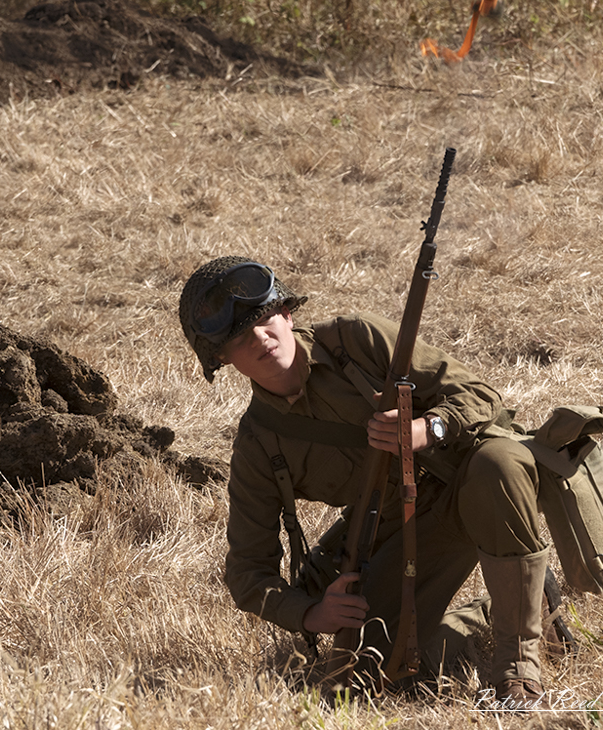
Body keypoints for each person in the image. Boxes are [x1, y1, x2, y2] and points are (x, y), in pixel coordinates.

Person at [177, 256, 552, 707]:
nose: (259, 337)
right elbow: (247, 573)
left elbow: (481, 396)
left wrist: (428, 428)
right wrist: (312, 613)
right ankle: (507, 608)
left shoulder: (357, 341)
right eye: (239, 337)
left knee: (500, 462)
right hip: (408, 527)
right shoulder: (259, 442)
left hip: (473, 483)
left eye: (264, 319)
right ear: (222, 358)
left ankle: (518, 664)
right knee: (368, 676)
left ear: (288, 315)